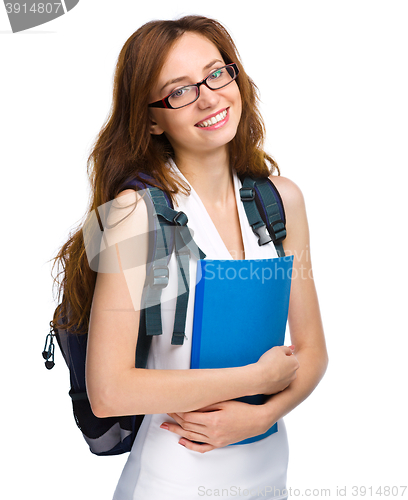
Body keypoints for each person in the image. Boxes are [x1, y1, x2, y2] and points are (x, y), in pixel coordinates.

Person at [52, 15, 328, 500]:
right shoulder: (132, 215)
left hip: (268, 472)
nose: (208, 97)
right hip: (171, 478)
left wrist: (259, 415)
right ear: (152, 118)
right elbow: (109, 389)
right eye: (180, 91)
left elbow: (313, 354)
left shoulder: (281, 202)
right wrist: (253, 379)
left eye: (216, 73)